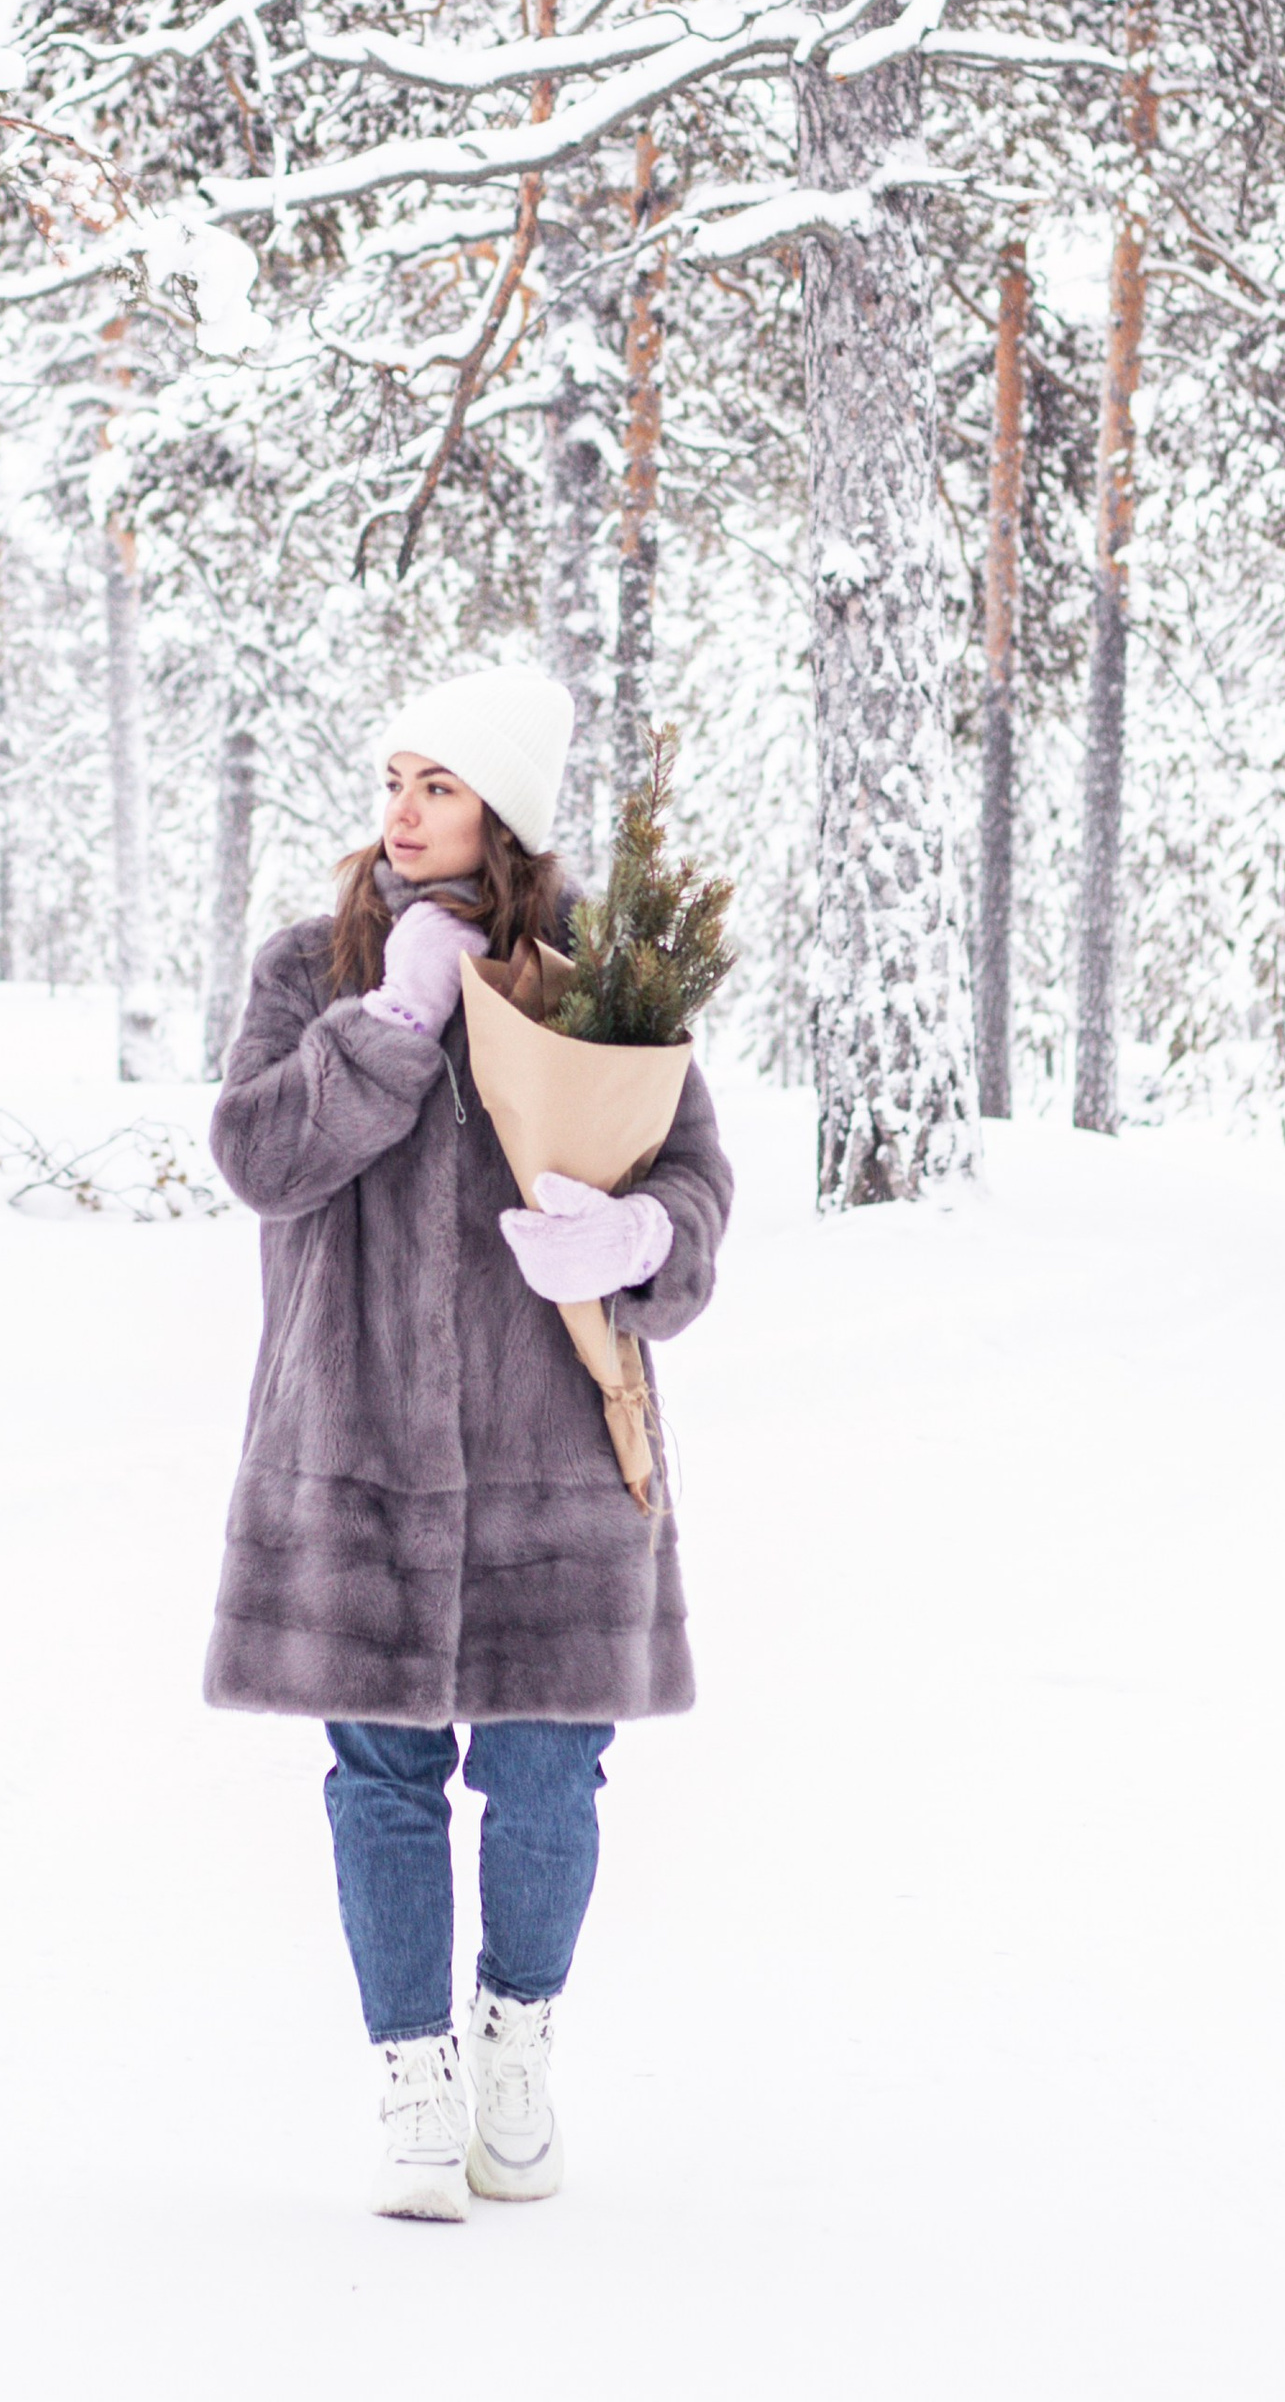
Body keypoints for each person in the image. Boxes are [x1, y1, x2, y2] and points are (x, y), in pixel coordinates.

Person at [205, 662, 734, 2222]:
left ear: (503, 812)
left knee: (551, 1769)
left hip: (556, 1448)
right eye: (394, 779)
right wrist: (389, 1022)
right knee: (380, 1773)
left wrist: (641, 1237)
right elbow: (259, 1158)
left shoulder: (599, 978)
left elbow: (695, 1178)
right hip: (353, 1436)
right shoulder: (310, 969)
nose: (404, 811)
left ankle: (514, 2043)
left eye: (438, 785)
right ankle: (416, 2085)